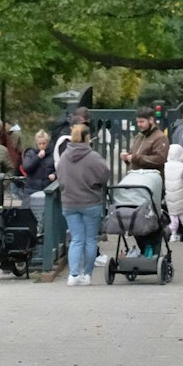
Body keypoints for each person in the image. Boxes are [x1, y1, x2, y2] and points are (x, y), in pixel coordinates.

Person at [56, 124, 112, 286]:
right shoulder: (93, 157)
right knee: (90, 240)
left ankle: (73, 275)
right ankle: (87, 275)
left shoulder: (64, 156)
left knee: (76, 239)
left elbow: (60, 176)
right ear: (87, 137)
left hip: (69, 203)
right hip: (90, 202)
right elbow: (104, 175)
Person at [19, 129, 56, 219]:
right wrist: (38, 157)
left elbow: (60, 168)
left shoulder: (53, 153)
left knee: (47, 216)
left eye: (44, 143)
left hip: (47, 189)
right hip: (31, 189)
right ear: (36, 143)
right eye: (40, 144)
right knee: (26, 215)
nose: (42, 146)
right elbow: (26, 167)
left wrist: (55, 175)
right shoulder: (30, 153)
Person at [123, 110, 169, 175]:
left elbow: (159, 159)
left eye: (142, 121)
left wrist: (135, 158)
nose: (138, 124)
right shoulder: (139, 137)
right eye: (137, 122)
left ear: (151, 120)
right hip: (135, 177)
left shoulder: (160, 137)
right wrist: (127, 158)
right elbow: (133, 157)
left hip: (150, 178)